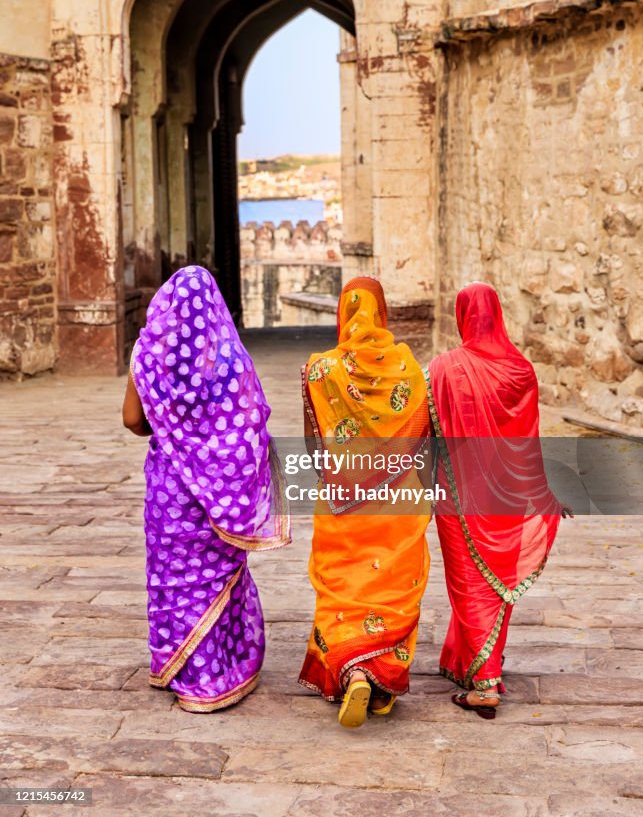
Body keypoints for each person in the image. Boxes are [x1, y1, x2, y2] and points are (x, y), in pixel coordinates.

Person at [122, 265, 290, 712]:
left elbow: (132, 421)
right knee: (217, 579)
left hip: (170, 490)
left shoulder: (149, 355)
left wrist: (174, 432)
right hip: (218, 495)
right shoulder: (231, 360)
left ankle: (181, 670)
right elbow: (252, 423)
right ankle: (223, 673)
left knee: (175, 582)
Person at [426, 282, 572, 720]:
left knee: (469, 583)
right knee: (495, 583)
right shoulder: (522, 371)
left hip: (457, 495)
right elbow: (527, 442)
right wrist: (543, 495)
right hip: (509, 498)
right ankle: (468, 660)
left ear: (463, 316)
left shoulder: (443, 369)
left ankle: (485, 684)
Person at [298, 276, 431, 728]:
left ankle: (349, 669)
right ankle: (378, 674)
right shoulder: (409, 368)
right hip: (400, 501)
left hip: (341, 500)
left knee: (343, 586)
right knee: (391, 587)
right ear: (382, 313)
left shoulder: (320, 369)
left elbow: (315, 447)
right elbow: (421, 439)